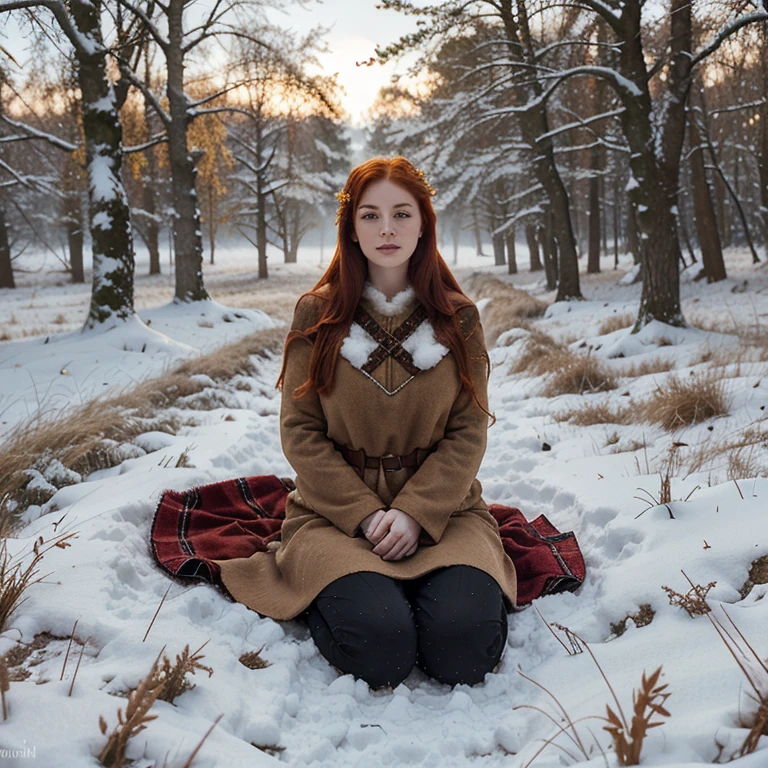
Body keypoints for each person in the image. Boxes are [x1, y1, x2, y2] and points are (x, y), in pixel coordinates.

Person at [215, 156, 517, 690]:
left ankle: (420, 589)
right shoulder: (319, 314)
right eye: (371, 216)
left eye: (402, 214)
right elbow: (300, 432)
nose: (387, 230)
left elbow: (469, 430)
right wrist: (363, 515)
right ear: (351, 229)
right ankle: (364, 594)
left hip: (444, 511)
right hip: (337, 515)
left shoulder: (457, 317)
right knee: (379, 649)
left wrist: (416, 513)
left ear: (423, 224)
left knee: (463, 651)